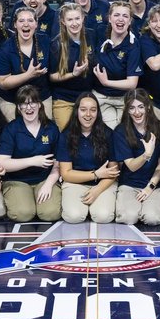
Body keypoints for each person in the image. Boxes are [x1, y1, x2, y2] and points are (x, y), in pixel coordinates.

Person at [0, 85, 62, 222]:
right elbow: (1, 163)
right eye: (24, 104)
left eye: (32, 102)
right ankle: (27, 202)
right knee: (23, 214)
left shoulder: (51, 128)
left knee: (50, 214)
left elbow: (59, 162)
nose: (28, 107)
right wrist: (32, 161)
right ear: (19, 108)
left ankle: (38, 202)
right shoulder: (11, 129)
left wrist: (49, 184)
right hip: (17, 180)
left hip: (44, 179)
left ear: (39, 105)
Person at [58, 92, 119, 223]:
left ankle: (93, 207)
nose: (88, 114)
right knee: (73, 216)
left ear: (98, 113)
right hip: (75, 182)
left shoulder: (108, 134)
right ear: (76, 111)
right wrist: (96, 174)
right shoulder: (66, 135)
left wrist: (97, 190)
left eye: (93, 110)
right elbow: (66, 173)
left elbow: (113, 172)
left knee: (103, 216)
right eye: (83, 110)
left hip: (103, 183)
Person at [112, 89, 160, 225]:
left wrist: (150, 186)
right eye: (132, 108)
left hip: (155, 184)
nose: (137, 112)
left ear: (148, 107)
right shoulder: (120, 131)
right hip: (130, 184)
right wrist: (146, 155)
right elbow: (131, 166)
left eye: (140, 107)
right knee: (128, 218)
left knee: (152, 218)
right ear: (127, 110)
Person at [0, 6, 50, 121]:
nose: (26, 24)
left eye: (30, 20)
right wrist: (28, 75)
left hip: (41, 98)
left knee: (47, 130)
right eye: (21, 21)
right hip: (12, 100)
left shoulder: (46, 41)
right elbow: (2, 82)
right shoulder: (4, 49)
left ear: (36, 24)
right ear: (15, 24)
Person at [91, 0, 141, 126]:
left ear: (130, 21)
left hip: (124, 99)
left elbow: (132, 83)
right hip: (100, 96)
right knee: (111, 131)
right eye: (116, 15)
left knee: (125, 132)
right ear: (109, 18)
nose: (121, 19)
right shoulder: (99, 32)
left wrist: (106, 82)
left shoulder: (133, 45)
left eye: (125, 16)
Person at [48, 2, 93, 129]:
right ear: (63, 21)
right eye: (70, 19)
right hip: (64, 99)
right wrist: (73, 74)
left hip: (87, 97)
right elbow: (52, 76)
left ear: (83, 18)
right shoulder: (55, 45)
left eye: (77, 18)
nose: (74, 23)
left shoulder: (92, 36)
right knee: (67, 135)